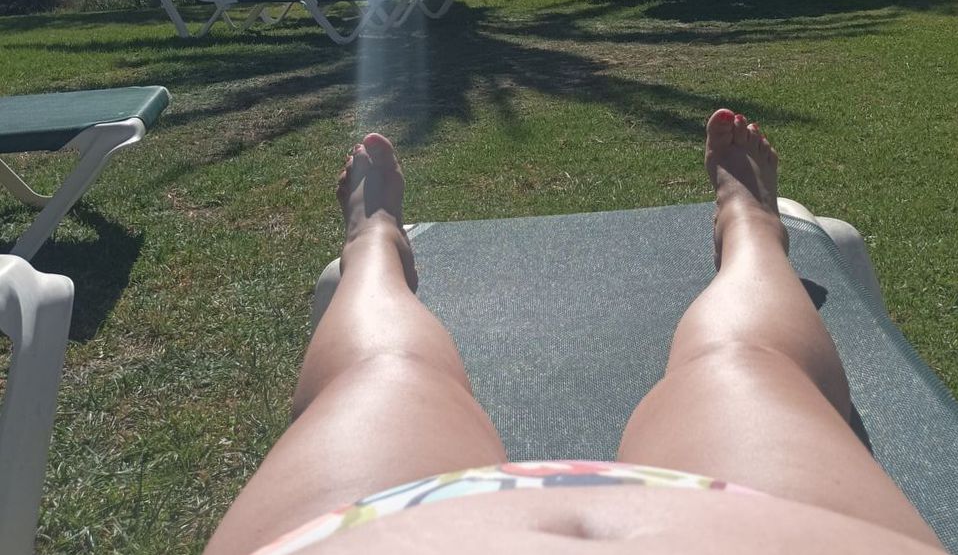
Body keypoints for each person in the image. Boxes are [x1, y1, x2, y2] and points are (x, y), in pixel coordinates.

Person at [204, 109, 945, 554]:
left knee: (384, 371)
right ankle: (751, 224)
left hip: (363, 532)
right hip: (781, 527)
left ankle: (373, 240)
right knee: (743, 359)